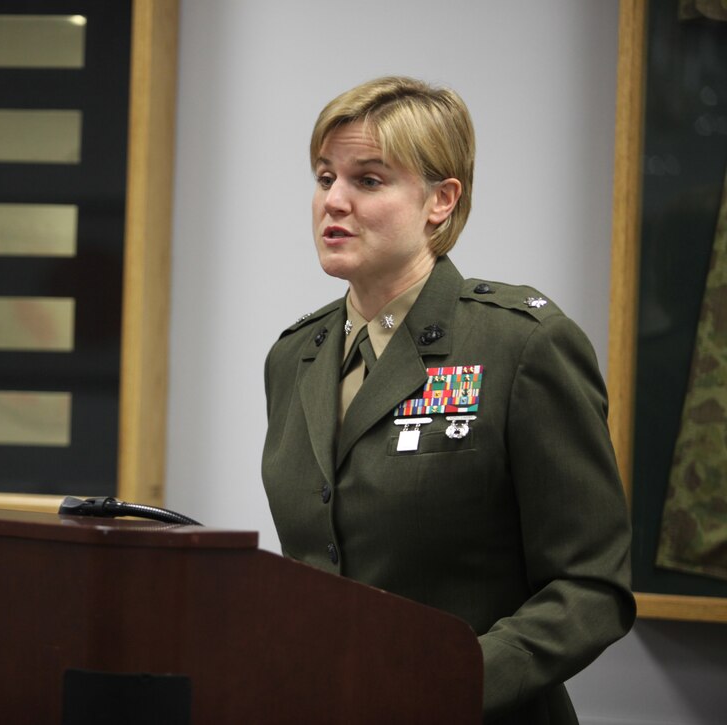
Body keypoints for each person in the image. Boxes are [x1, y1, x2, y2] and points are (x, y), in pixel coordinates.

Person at [261, 76, 635, 724]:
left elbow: (592, 587)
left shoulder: (520, 345)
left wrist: (449, 681)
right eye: (325, 178)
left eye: (368, 180)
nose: (334, 202)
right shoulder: (294, 356)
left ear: (441, 199)